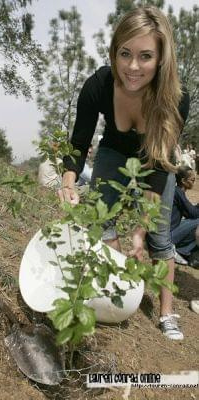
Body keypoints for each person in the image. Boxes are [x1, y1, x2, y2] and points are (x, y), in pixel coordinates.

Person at [58, 6, 190, 340]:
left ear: (161, 58)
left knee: (160, 233)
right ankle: (114, 288)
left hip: (154, 159)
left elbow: (160, 165)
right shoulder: (98, 85)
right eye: (125, 53)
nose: (133, 66)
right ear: (114, 51)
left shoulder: (176, 97)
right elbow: (78, 144)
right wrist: (68, 182)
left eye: (145, 56)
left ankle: (166, 312)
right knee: (101, 218)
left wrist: (141, 230)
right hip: (114, 152)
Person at [171, 166, 199, 266]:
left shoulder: (177, 191)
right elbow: (193, 213)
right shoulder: (178, 192)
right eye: (192, 180)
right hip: (169, 236)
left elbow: (189, 213)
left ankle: (183, 249)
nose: (194, 183)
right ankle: (182, 250)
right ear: (183, 180)